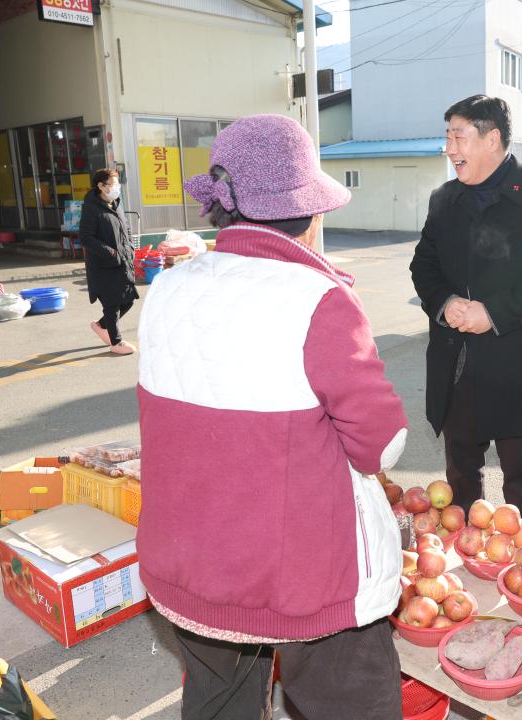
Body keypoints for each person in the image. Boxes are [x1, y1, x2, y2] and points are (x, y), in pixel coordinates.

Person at [137, 115, 409, 720]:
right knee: (351, 697)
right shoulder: (319, 299)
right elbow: (381, 446)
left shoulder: (169, 288)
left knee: (220, 699)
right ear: (310, 216)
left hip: (189, 561)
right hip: (298, 572)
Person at [409, 95, 522, 530]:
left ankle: (521, 563)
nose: (449, 148)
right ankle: (464, 568)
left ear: (492, 139)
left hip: (513, 363)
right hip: (455, 362)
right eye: (447, 137)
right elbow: (423, 265)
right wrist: (445, 303)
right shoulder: (444, 199)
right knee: (460, 478)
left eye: (458, 136)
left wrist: (492, 312)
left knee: (521, 479)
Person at [79, 168, 139, 355]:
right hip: (103, 264)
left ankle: (101, 325)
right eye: (113, 184)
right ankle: (117, 342)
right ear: (101, 186)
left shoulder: (116, 203)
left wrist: (130, 248)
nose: (116, 188)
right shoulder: (91, 208)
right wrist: (111, 253)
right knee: (112, 304)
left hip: (122, 261)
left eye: (117, 184)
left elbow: (126, 228)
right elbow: (86, 238)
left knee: (128, 300)